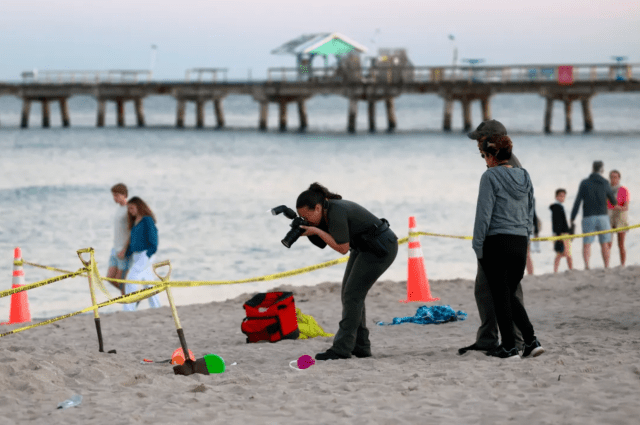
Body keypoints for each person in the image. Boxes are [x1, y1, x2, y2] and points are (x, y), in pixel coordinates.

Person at [295, 183, 398, 361]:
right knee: (349, 294)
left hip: (381, 248)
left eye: (307, 215)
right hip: (363, 248)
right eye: (301, 217)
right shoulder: (327, 211)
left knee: (352, 295)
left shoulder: (336, 211)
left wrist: (316, 230)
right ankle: (361, 346)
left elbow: (342, 248)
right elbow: (325, 242)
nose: (306, 219)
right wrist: (311, 230)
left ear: (318, 207)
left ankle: (342, 349)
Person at [472, 134, 544, 359]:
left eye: (484, 155)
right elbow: (530, 210)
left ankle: (511, 346)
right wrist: (526, 239)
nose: (484, 160)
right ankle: (530, 341)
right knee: (508, 293)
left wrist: (477, 245)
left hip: (497, 242)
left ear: (493, 156)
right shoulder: (524, 175)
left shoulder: (490, 177)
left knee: (501, 294)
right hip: (519, 242)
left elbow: (483, 215)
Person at [459, 119, 526, 355]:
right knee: (484, 288)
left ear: (492, 141)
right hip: (506, 238)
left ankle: (516, 341)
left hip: (498, 240)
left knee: (508, 291)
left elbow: (488, 210)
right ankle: (488, 338)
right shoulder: (501, 164)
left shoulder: (503, 168)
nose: (477, 143)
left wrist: (479, 243)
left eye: (480, 139)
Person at [570, 161, 617, 269]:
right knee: (605, 243)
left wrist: (572, 217)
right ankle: (607, 266)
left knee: (587, 243)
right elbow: (613, 201)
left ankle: (587, 266)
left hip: (588, 216)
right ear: (601, 170)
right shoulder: (605, 182)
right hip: (602, 216)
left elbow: (577, 201)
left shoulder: (584, 182)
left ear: (593, 168)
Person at [118, 196, 162, 311]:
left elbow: (153, 240)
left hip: (145, 254)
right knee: (148, 283)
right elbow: (133, 242)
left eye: (132, 208)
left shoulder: (147, 220)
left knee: (131, 279)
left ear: (139, 207)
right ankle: (157, 308)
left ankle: (128, 309)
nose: (130, 211)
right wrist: (126, 253)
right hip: (136, 255)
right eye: (129, 209)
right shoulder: (134, 223)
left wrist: (148, 255)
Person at [107, 183, 130, 295]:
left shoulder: (129, 209)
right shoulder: (119, 209)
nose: (114, 198)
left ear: (124, 195)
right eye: (113, 195)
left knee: (121, 281)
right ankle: (133, 297)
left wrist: (125, 249)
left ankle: (130, 302)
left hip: (123, 250)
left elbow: (132, 231)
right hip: (115, 248)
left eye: (116, 195)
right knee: (110, 278)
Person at [607, 170, 629, 266]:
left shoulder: (623, 190)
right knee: (608, 244)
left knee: (621, 244)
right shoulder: (606, 190)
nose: (613, 179)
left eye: (615, 177)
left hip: (620, 215)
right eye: (612, 177)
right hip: (609, 215)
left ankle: (622, 264)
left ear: (619, 178)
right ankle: (607, 265)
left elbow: (626, 207)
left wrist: (616, 207)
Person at [550, 189, 574, 273]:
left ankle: (556, 271)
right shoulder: (557, 207)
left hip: (561, 233)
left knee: (560, 253)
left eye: (564, 196)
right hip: (562, 233)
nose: (562, 197)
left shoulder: (558, 207)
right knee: (567, 254)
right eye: (560, 196)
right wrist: (559, 234)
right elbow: (557, 222)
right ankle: (570, 270)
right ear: (556, 197)